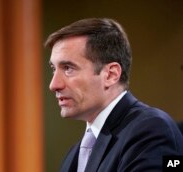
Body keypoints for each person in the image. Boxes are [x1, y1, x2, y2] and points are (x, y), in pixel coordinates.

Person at [45, 18, 183, 172]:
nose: (54, 85)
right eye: (53, 69)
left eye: (68, 68)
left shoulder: (152, 129)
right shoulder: (73, 156)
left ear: (111, 75)